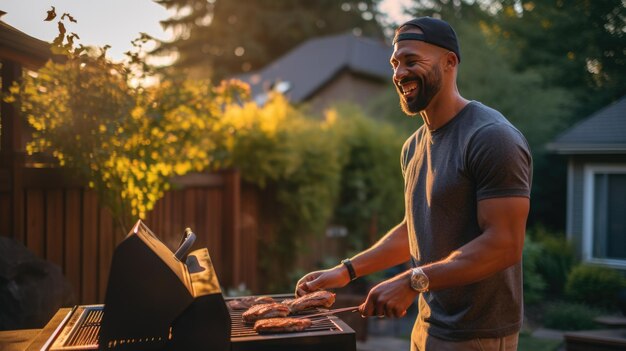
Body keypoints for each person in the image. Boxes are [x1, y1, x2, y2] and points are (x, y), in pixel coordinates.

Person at [295, 17, 532, 351]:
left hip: (477, 335)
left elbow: (505, 244)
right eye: (395, 63)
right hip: (427, 325)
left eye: (411, 61)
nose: (399, 73)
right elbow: (416, 230)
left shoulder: (491, 137)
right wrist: (346, 271)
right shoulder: (413, 146)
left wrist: (414, 280)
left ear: (450, 62)